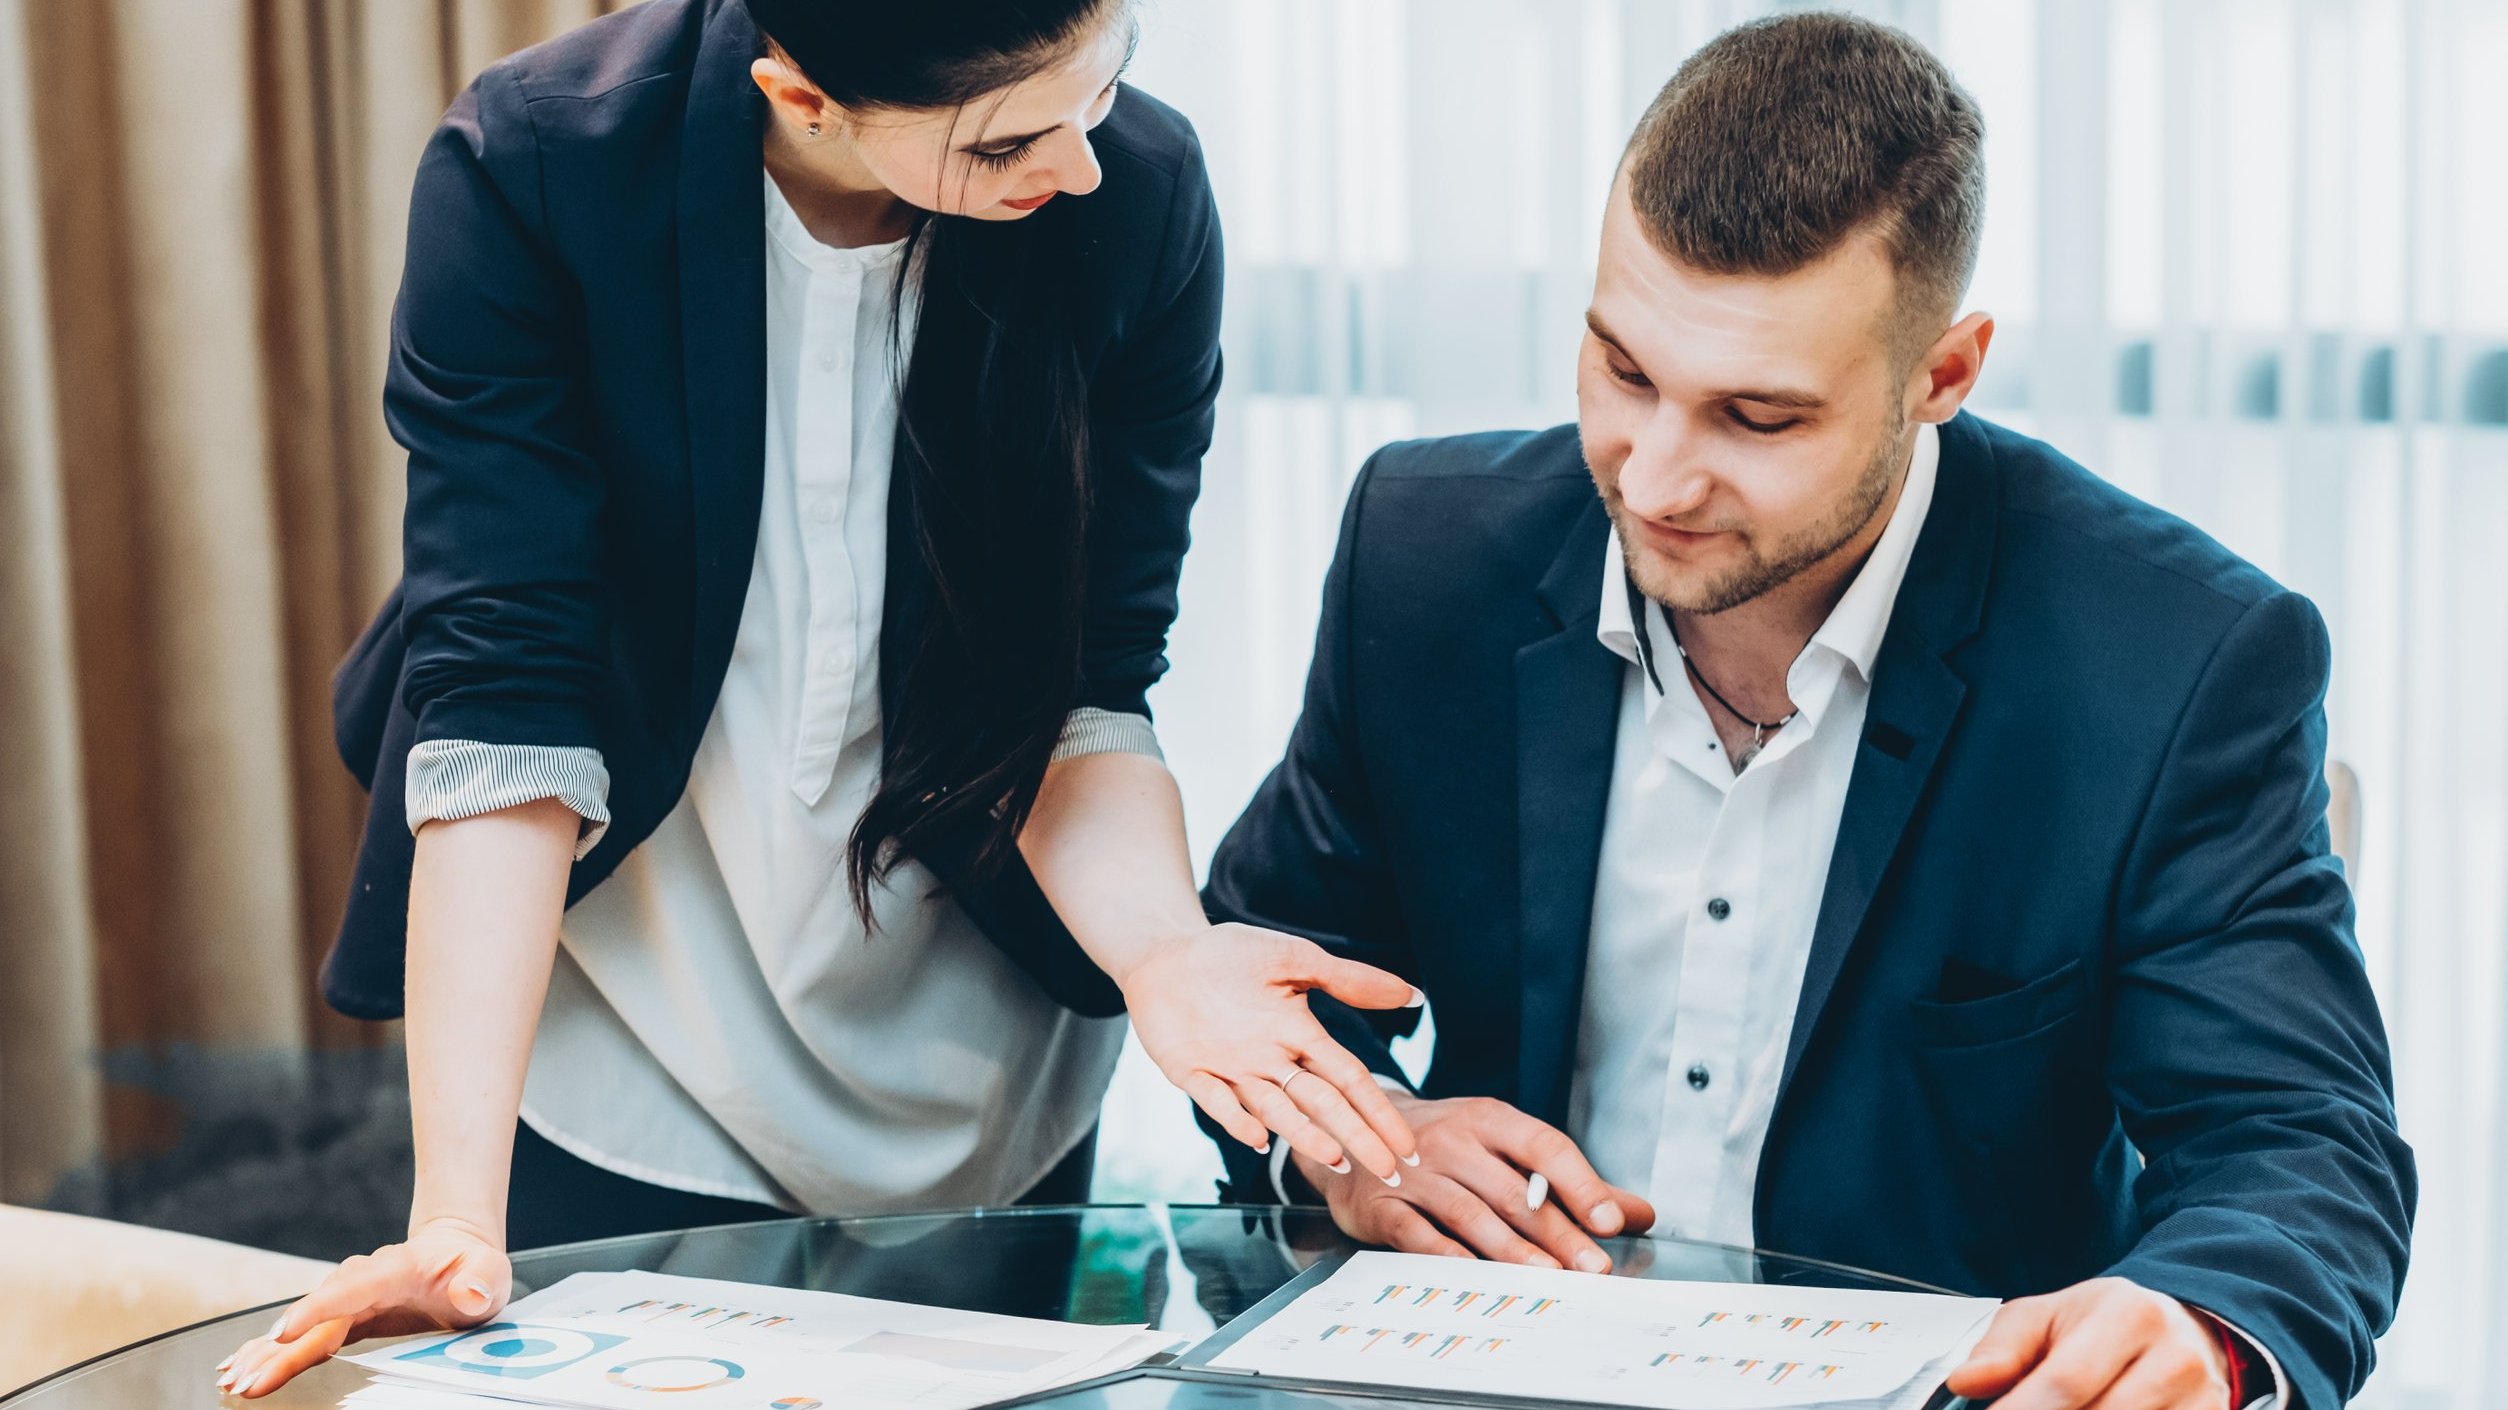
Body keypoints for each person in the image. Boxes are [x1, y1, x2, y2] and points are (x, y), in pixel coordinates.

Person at [1198, 14, 2412, 1410]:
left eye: (1755, 419)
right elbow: (1265, 968)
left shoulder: (2172, 663)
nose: (1652, 477)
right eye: (1623, 370)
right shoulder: (1426, 554)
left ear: (1942, 376)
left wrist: (2197, 1323)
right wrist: (1355, 1137)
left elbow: (2298, 1137)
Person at [219, 0, 1425, 1397]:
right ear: (797, 94)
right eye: (1013, 139)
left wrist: (1165, 955)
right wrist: (455, 1217)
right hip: (629, 1007)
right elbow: (504, 704)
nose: (1083, 162)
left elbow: (1090, 682)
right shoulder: (541, 167)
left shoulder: (1134, 196)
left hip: (982, 1020)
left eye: (1104, 87)